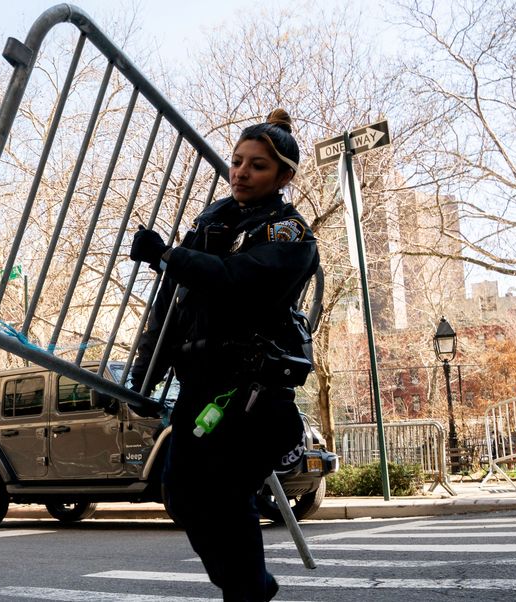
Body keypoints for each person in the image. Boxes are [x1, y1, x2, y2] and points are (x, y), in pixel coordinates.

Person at [128, 109, 319, 602]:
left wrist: (169, 255)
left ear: (284, 176)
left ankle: (247, 591)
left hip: (251, 389)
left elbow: (239, 283)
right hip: (203, 384)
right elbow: (171, 304)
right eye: (237, 161)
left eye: (257, 165)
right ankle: (250, 587)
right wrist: (142, 375)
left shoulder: (288, 233)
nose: (240, 172)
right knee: (181, 493)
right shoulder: (215, 220)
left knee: (226, 496)